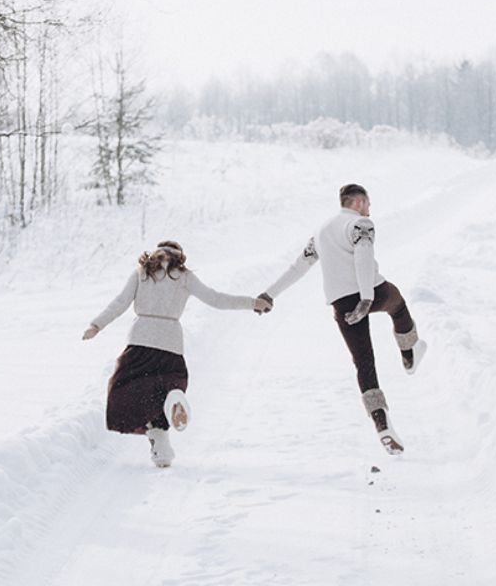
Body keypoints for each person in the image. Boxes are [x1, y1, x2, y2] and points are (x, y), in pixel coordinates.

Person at [256, 183, 427, 455]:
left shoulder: (321, 233)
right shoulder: (361, 224)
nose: (370, 210)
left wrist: (269, 294)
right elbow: (363, 257)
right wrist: (367, 298)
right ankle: (409, 350)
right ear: (358, 202)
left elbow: (298, 267)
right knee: (398, 305)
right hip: (369, 291)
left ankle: (382, 424)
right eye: (368, 204)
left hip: (342, 302)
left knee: (364, 363)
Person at [83, 240, 272, 467]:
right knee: (164, 387)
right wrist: (253, 303)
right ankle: (168, 419)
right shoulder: (184, 276)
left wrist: (96, 325)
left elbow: (120, 302)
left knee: (124, 387)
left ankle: (163, 422)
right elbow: (216, 299)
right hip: (171, 342)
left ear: (156, 253)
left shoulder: (141, 273)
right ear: (179, 256)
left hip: (140, 339)